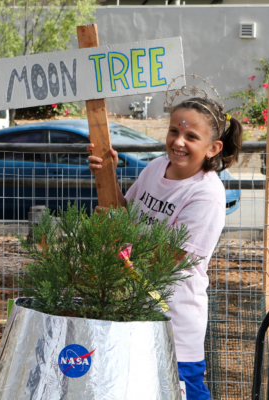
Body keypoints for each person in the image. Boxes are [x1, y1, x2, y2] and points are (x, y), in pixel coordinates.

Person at [88, 97, 243, 400]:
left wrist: (118, 234)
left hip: (174, 326)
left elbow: (165, 260)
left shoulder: (207, 194)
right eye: (174, 131)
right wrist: (105, 174)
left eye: (191, 136)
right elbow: (125, 212)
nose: (179, 142)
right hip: (134, 314)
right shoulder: (157, 167)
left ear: (213, 148)